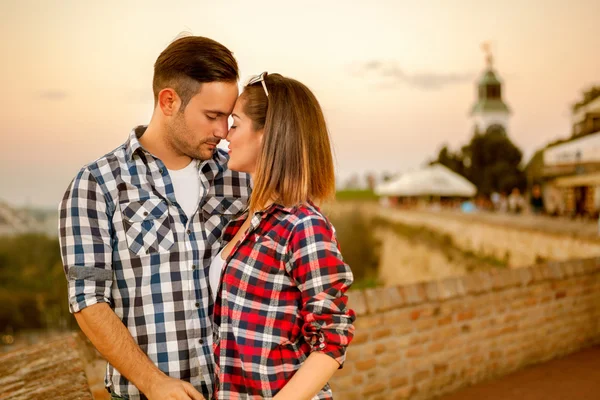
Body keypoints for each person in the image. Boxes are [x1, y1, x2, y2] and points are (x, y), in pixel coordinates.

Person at [58, 36, 251, 400]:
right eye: (212, 116)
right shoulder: (97, 185)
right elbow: (88, 301)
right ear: (168, 101)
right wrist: (153, 383)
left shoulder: (241, 178)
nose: (223, 131)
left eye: (228, 117)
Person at [211, 72, 356, 399]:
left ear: (267, 133)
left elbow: (330, 339)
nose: (225, 135)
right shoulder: (241, 223)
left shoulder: (303, 225)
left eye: (235, 123)